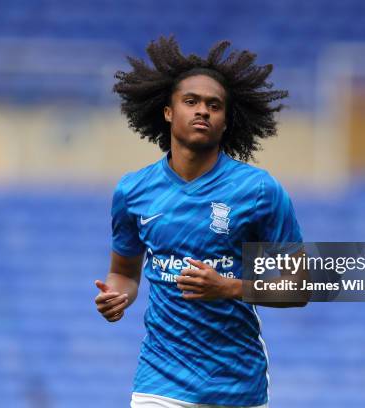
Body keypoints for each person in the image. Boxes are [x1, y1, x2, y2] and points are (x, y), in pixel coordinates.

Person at [94, 36, 307, 408]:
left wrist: (228, 287)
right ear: (167, 112)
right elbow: (125, 273)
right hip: (160, 380)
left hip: (236, 383)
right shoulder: (133, 191)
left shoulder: (259, 191)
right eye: (191, 102)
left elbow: (299, 286)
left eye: (214, 106)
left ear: (226, 121)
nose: (203, 111)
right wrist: (117, 296)